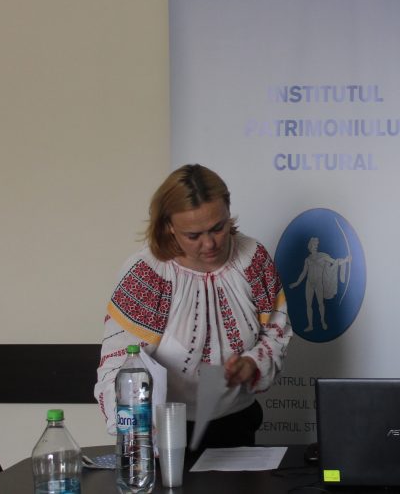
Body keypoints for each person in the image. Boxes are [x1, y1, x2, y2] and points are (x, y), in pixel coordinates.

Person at [94, 164, 291, 448]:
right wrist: (136, 434)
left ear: (228, 211)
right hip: (163, 431)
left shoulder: (252, 258)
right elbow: (119, 363)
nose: (209, 244)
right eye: (193, 235)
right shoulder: (148, 275)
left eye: (218, 228)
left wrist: (251, 363)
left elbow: (276, 333)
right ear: (169, 227)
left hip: (237, 423)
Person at [288, 236, 351, 332]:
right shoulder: (307, 259)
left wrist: (345, 260)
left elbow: (335, 262)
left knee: (320, 304)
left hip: (318, 283)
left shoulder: (323, 256)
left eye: (316, 245)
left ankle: (323, 321)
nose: (315, 246)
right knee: (308, 305)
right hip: (309, 283)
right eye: (313, 245)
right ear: (310, 246)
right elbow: (303, 273)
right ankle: (310, 325)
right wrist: (296, 283)